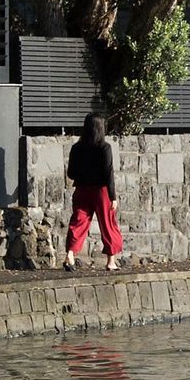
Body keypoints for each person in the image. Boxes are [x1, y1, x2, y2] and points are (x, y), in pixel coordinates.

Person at [66, 113, 124, 270]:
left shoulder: (76, 148)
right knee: (108, 224)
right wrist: (113, 197)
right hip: (101, 191)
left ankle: (70, 254)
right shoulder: (104, 148)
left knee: (79, 220)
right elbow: (108, 173)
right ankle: (111, 261)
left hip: (82, 190)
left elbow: (71, 173)